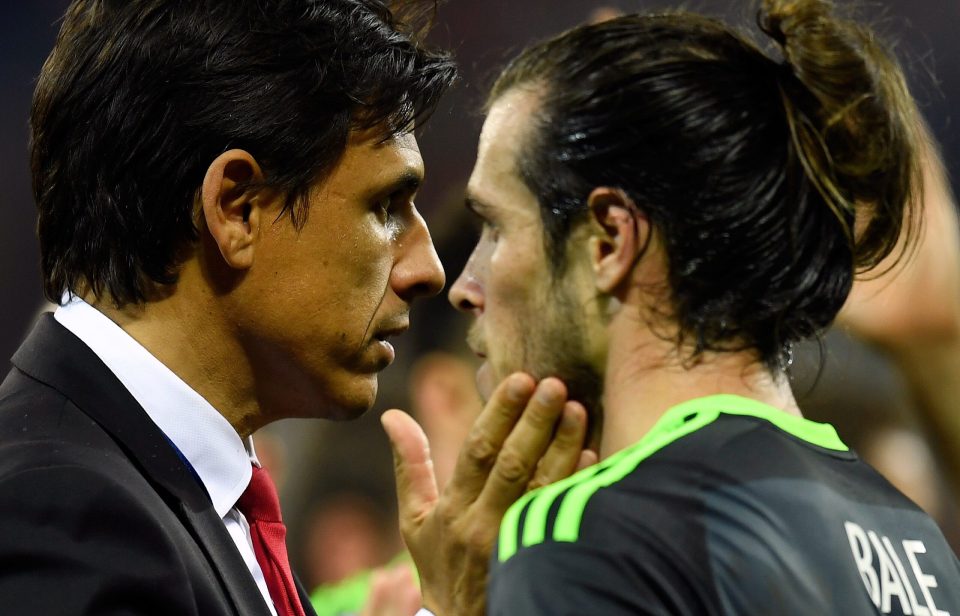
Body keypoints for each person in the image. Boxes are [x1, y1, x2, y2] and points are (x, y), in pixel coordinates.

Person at [0, 1, 591, 615]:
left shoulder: (175, 493)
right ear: (237, 209)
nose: (428, 270)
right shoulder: (57, 508)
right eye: (387, 206)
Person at [433, 0, 960, 612]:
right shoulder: (917, 543)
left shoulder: (594, 532)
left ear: (609, 242)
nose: (463, 286)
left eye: (495, 228)